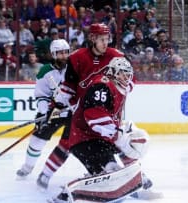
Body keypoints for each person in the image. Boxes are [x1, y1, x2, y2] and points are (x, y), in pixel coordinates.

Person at [49, 57, 150, 203]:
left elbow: (131, 83)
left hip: (101, 139)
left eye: (129, 74)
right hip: (85, 140)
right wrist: (117, 135)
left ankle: (133, 178)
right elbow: (95, 117)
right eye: (123, 73)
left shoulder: (122, 85)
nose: (127, 78)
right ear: (113, 73)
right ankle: (68, 193)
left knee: (136, 140)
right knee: (111, 170)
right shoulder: (101, 86)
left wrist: (119, 135)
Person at [16, 39, 72, 185]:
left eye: (66, 52)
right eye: (60, 53)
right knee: (37, 139)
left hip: (74, 112)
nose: (64, 56)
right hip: (56, 111)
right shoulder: (45, 71)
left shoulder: (74, 67)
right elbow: (42, 95)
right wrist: (43, 113)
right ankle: (28, 167)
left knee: (73, 144)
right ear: (53, 54)